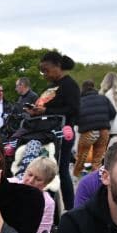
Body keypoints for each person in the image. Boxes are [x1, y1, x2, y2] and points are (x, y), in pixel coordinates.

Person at [33, 50, 79, 210]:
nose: (44, 74)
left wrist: (46, 111)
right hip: (47, 133)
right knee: (48, 170)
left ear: (58, 66)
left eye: (46, 70)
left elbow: (74, 109)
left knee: (61, 170)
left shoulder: (69, 85)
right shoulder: (51, 87)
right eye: (42, 71)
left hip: (63, 133)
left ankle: (70, 207)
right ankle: (49, 206)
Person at [74, 80, 115, 177]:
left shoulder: (79, 101)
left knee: (81, 157)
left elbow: (75, 118)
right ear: (94, 87)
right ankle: (95, 179)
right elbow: (113, 113)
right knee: (97, 160)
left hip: (88, 132)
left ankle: (76, 176)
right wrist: (103, 120)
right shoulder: (104, 98)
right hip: (104, 131)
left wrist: (82, 124)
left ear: (82, 89)